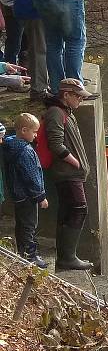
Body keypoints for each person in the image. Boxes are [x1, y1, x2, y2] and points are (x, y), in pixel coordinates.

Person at [44, 78, 94, 270]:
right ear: (66, 95)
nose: (81, 100)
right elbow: (56, 144)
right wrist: (76, 163)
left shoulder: (66, 112)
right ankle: (68, 257)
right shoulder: (56, 113)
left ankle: (65, 256)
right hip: (67, 173)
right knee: (79, 209)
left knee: (67, 211)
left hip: (72, 173)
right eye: (78, 96)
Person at [3, 113, 48, 268]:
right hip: (28, 196)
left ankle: (22, 253)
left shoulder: (9, 146)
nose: (36, 136)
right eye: (34, 132)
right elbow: (32, 176)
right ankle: (31, 256)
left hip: (17, 195)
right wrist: (41, 196)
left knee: (21, 225)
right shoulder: (25, 151)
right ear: (24, 130)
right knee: (30, 225)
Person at [14, 0, 50, 100]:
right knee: (38, 48)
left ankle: (41, 85)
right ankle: (39, 89)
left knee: (38, 48)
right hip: (34, 7)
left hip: (29, 5)